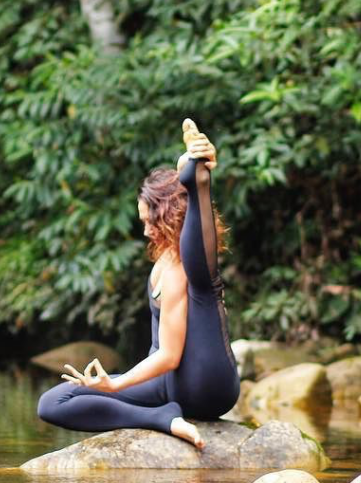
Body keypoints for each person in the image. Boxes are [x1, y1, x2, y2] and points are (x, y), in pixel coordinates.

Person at [36, 119, 240, 449]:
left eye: (150, 221)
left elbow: (171, 355)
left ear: (170, 214)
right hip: (167, 388)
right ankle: (163, 419)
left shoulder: (183, 269)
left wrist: (117, 386)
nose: (145, 231)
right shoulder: (162, 262)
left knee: (203, 280)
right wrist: (114, 386)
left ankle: (197, 179)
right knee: (52, 403)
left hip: (206, 385)